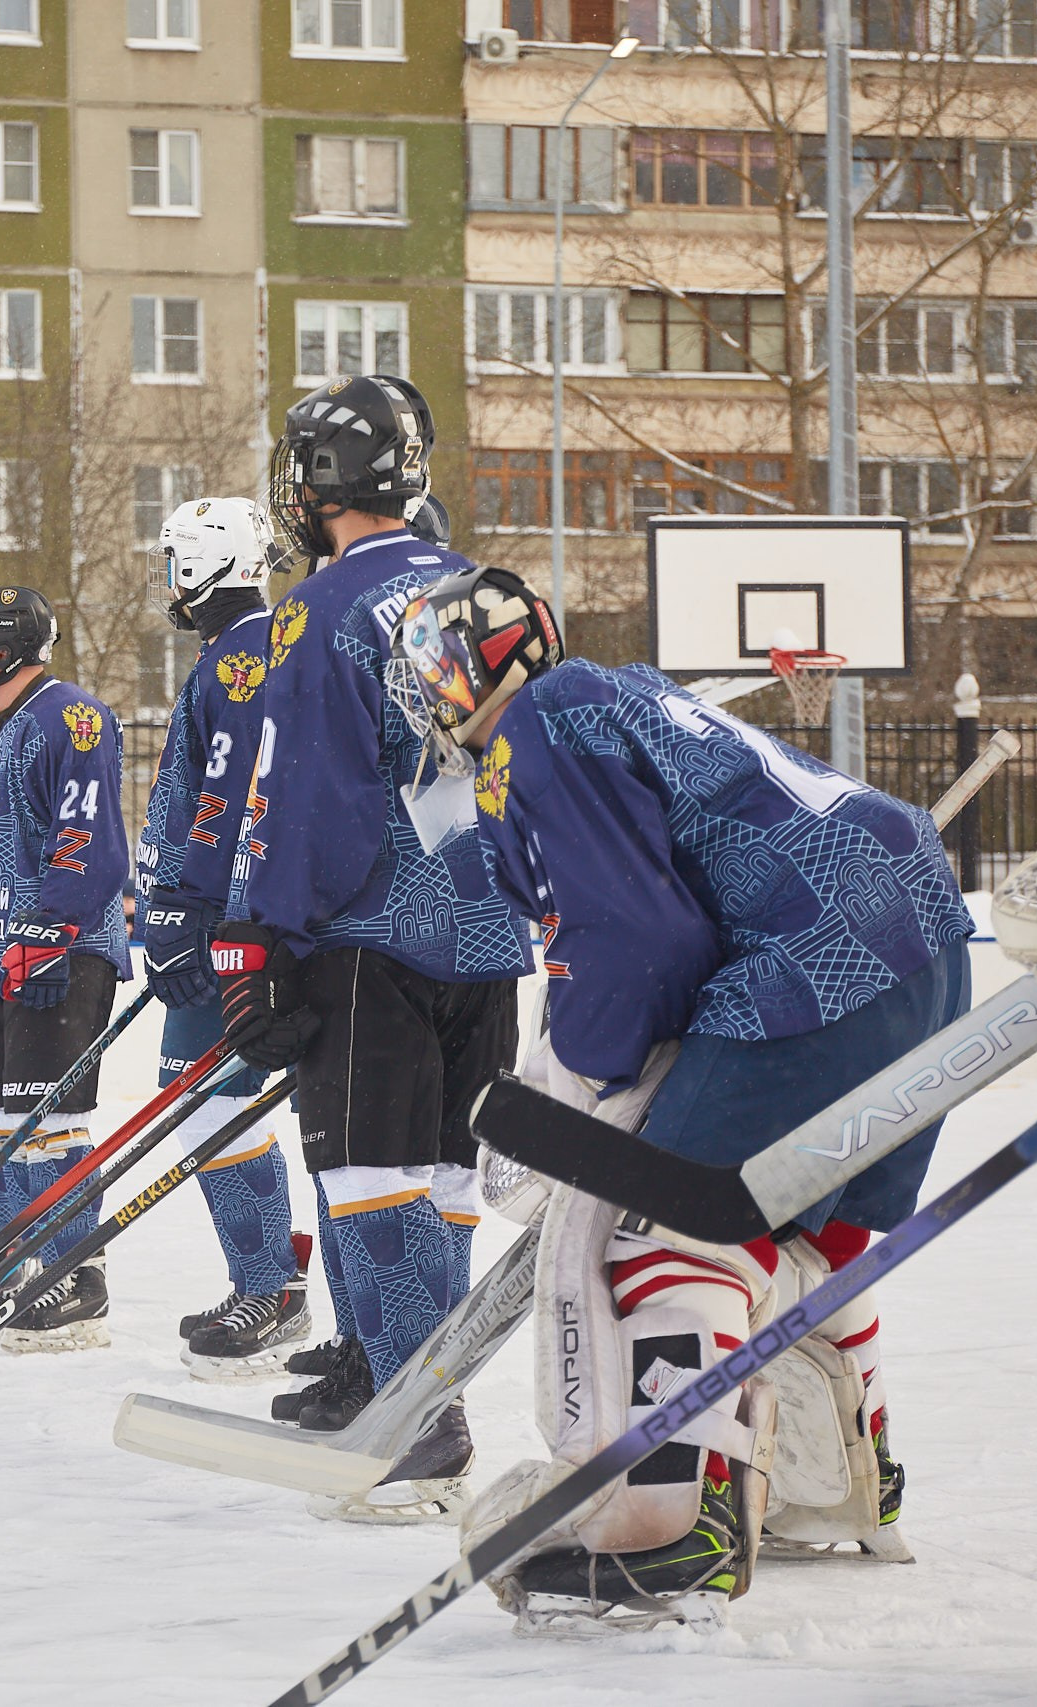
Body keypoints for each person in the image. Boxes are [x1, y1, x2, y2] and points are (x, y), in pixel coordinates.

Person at [393, 561, 973, 1622]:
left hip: (817, 958)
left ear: (458, 668)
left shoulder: (544, 721)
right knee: (802, 1232)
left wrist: (580, 1075)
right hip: (923, 937)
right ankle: (838, 1482)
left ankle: (668, 1525)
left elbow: (633, 936)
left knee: (661, 1232)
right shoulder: (616, 693)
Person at [213, 376, 527, 1481]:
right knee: (443, 1182)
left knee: (371, 1182)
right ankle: (426, 1401)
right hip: (487, 938)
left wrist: (264, 934)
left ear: (322, 483)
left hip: (371, 939)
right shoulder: (479, 588)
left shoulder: (322, 609)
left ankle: (415, 1425)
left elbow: (309, 792)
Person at [134, 497, 309, 1377]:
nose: (169, 580)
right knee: (214, 1099)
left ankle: (271, 1283)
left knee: (207, 1096)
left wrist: (187, 901)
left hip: (229, 920)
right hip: (236, 912)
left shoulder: (242, 655)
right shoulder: (239, 650)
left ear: (205, 564)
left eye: (175, 561)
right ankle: (272, 1273)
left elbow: (229, 794)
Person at [0, 584, 130, 1351]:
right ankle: (27, 1260)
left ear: (2, 650)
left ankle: (77, 1277)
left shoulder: (70, 716)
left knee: (50, 1124)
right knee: (2, 1124)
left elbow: (90, 837)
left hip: (57, 950)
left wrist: (52, 925)